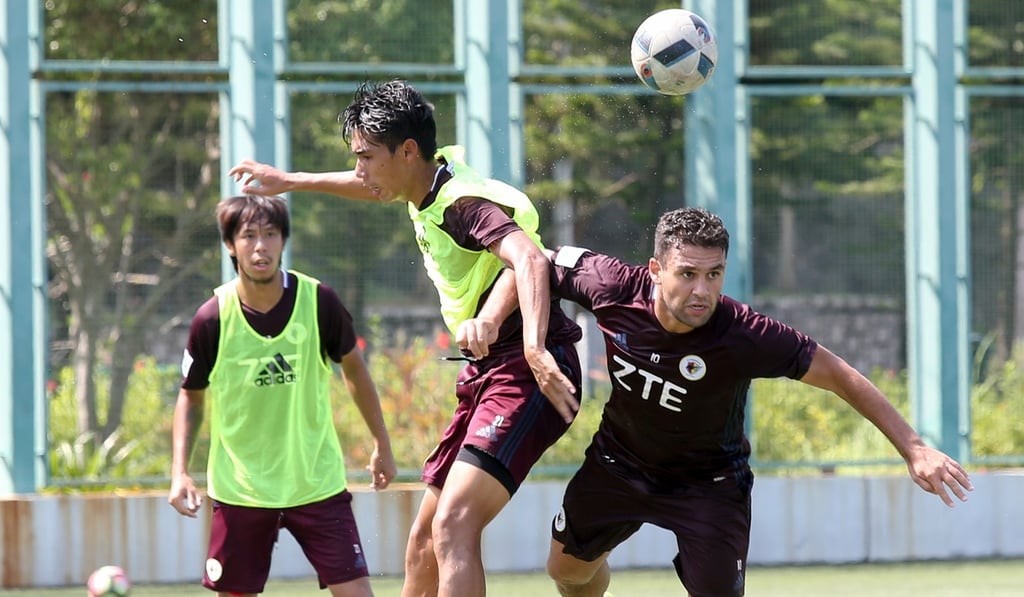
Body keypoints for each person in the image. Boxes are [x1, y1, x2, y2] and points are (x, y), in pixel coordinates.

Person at [480, 206, 974, 597]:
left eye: (714, 275)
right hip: (618, 465)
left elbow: (841, 375)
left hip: (709, 486)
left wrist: (914, 448)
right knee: (566, 571)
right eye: (688, 274)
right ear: (655, 270)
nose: (702, 290)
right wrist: (497, 325)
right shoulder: (611, 285)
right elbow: (532, 258)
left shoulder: (745, 334)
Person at [227, 79, 584, 597]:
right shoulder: (426, 181)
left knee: (453, 524)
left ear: (408, 151)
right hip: (487, 370)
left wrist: (529, 344)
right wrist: (289, 180)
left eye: (366, 157)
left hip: (528, 370)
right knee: (423, 542)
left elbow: (530, 256)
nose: (360, 170)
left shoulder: (460, 204)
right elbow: (369, 186)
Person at [167, 194, 397, 597]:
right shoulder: (212, 318)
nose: (261, 246)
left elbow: (355, 370)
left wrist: (382, 443)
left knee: (357, 592)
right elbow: (192, 396)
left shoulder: (319, 301)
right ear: (230, 245)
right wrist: (180, 472)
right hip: (242, 488)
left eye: (271, 234)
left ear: (284, 241)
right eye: (249, 235)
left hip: (315, 481)